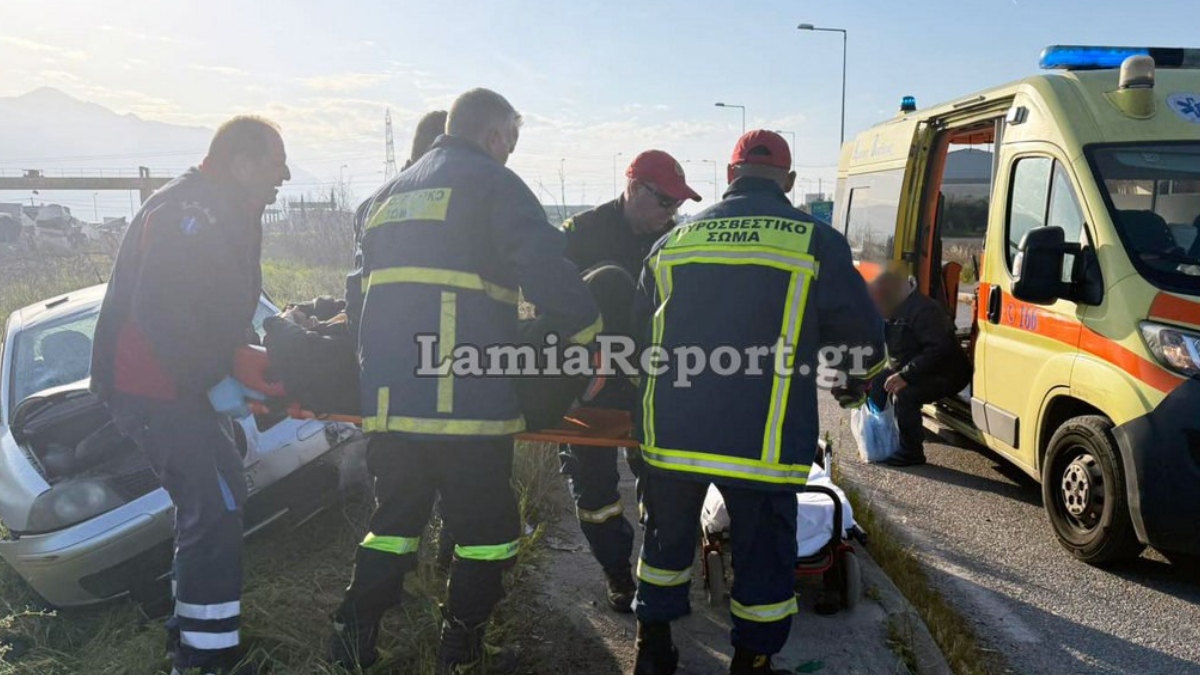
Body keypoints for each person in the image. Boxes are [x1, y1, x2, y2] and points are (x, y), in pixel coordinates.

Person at [328, 89, 602, 673]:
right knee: (487, 534)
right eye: (511, 141)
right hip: (466, 405)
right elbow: (545, 271)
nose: (509, 152)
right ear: (495, 135)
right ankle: (461, 649)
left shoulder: (381, 199)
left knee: (391, 528)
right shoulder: (492, 184)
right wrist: (590, 338)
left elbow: (356, 305)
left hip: (391, 405)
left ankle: (352, 640)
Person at [628, 130, 886, 675]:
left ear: (729, 176)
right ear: (788, 182)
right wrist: (856, 381)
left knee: (665, 543)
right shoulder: (816, 240)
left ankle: (652, 648)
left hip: (673, 431)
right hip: (761, 439)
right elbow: (861, 337)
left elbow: (637, 339)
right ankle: (752, 661)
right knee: (763, 557)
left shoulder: (673, 241)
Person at [90, 116, 291, 675]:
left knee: (219, 496)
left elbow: (216, 306)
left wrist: (239, 362)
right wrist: (212, 379)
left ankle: (192, 638)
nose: (284, 176)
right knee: (216, 506)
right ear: (241, 163)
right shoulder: (188, 213)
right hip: (151, 388)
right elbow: (161, 312)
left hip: (179, 383)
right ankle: (204, 661)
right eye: (276, 164)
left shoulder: (227, 208)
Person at [557, 150, 701, 613]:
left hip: (652, 389)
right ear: (635, 188)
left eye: (678, 205)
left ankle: (656, 568)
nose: (671, 212)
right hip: (591, 390)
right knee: (595, 492)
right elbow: (547, 306)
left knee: (662, 482)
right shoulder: (581, 234)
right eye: (665, 201)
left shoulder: (675, 241)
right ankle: (617, 572)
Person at [867, 271, 973, 466]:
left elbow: (939, 350)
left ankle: (911, 452)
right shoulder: (892, 308)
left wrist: (905, 376)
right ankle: (882, 438)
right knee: (877, 381)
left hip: (946, 372)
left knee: (904, 395)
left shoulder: (925, 310)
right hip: (916, 368)